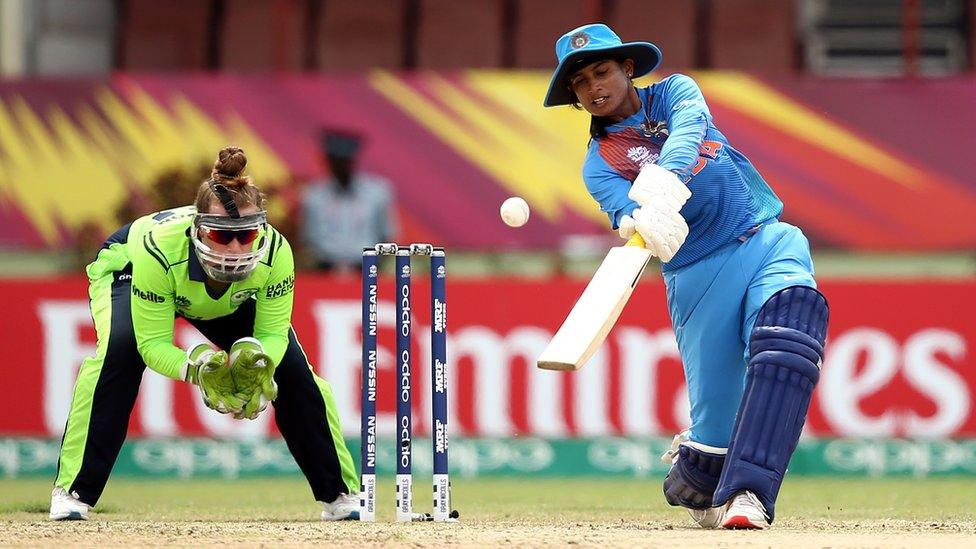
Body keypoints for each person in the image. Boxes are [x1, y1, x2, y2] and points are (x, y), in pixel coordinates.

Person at [544, 24, 829, 530]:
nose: (594, 88)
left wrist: (663, 179)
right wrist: (637, 220)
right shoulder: (599, 165)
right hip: (698, 278)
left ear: (628, 67)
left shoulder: (677, 90)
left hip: (765, 238)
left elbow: (691, 124)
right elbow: (624, 216)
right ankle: (700, 468)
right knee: (708, 456)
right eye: (581, 83)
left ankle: (749, 495)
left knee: (788, 342)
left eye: (602, 71)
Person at [50, 147, 361, 521]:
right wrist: (195, 369)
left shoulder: (275, 252)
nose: (234, 249)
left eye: (246, 237)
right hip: (132, 269)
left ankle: (340, 496)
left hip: (224, 297)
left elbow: (275, 335)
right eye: (220, 235)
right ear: (199, 229)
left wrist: (258, 361)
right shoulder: (159, 249)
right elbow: (151, 344)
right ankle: (72, 494)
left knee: (294, 371)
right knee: (119, 353)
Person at [300, 130, 398, 271]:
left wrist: (377, 265)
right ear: (328, 161)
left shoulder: (377, 193)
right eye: (336, 161)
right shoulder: (314, 195)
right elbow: (308, 238)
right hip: (324, 270)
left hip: (366, 268)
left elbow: (387, 235)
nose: (340, 167)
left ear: (352, 161)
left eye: (344, 162)